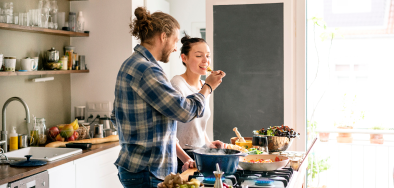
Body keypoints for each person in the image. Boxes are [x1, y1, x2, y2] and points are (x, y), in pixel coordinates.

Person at [112, 7, 226, 188]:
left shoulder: (132, 64)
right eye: (174, 41)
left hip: (138, 167)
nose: (174, 48)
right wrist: (208, 86)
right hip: (147, 170)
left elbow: (116, 117)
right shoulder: (147, 70)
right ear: (163, 36)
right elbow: (185, 112)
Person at [170, 34, 225, 173]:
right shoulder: (177, 84)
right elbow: (168, 130)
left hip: (201, 153)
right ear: (184, 58)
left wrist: (209, 143)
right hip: (182, 157)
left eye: (208, 55)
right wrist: (185, 159)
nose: (206, 60)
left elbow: (197, 125)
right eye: (199, 55)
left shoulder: (205, 85)